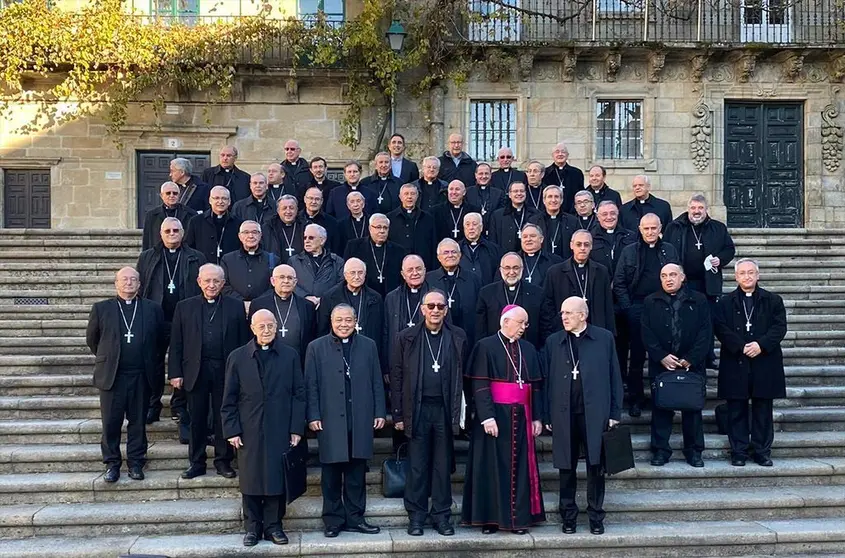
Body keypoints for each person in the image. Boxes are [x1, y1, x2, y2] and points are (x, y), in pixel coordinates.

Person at [221, 309, 305, 547]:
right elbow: (229, 398)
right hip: (249, 428)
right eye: (262, 326)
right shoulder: (237, 357)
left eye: (270, 326)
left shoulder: (289, 355)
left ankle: (274, 526)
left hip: (280, 426)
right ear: (252, 328)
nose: (266, 330)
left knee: (276, 479)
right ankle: (252, 528)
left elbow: (299, 394)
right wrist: (232, 430)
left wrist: (296, 428)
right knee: (251, 479)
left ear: (276, 327)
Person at [542, 297, 622, 535]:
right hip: (563, 413)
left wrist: (614, 412)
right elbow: (546, 381)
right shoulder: (553, 341)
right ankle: (568, 516)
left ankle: (596, 515)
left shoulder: (604, 338)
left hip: (595, 413)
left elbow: (614, 377)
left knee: (595, 466)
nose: (564, 317)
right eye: (562, 312)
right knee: (566, 467)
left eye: (569, 313)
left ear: (583, 315)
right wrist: (546, 414)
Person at [462, 305, 545, 534]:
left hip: (522, 416)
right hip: (495, 417)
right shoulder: (485, 346)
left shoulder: (528, 348)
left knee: (520, 469)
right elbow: (479, 385)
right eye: (521, 323)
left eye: (526, 324)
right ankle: (490, 520)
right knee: (490, 467)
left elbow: (535, 387)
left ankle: (518, 520)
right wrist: (487, 416)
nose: (524, 328)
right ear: (505, 321)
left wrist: (537, 417)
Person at [391, 290, 468, 537]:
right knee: (417, 465)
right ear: (422, 309)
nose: (435, 310)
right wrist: (399, 415)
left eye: (440, 306)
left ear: (446, 310)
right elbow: (397, 377)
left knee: (442, 465)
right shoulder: (407, 337)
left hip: (444, 409)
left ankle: (442, 516)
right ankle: (416, 517)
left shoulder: (458, 336)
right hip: (418, 408)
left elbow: (462, 377)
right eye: (431, 306)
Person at [306, 304, 386, 538]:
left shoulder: (368, 345)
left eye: (348, 320)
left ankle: (355, 518)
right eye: (339, 320)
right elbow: (310, 385)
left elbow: (376, 382)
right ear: (331, 321)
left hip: (359, 418)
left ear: (355, 321)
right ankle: (332, 520)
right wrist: (313, 415)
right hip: (329, 419)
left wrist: (379, 411)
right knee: (330, 475)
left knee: (356, 474)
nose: (344, 324)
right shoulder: (316, 347)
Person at [169, 264, 250, 479]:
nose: (211, 285)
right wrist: (175, 373)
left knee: (223, 417)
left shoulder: (235, 306)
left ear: (223, 283)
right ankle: (196, 462)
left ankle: (223, 461)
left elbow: (243, 342)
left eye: (216, 281)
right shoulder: (184, 307)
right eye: (207, 281)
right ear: (199, 282)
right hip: (196, 370)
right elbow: (176, 343)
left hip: (226, 370)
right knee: (197, 418)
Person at [86, 267, 166, 483]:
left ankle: (136, 463)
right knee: (111, 423)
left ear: (140, 284)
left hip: (141, 375)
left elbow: (160, 341)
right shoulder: (102, 309)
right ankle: (112, 464)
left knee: (138, 422)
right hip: (113, 376)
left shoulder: (152, 309)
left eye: (133, 279)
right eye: (124, 279)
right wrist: (109, 358)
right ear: (116, 284)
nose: (129, 283)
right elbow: (93, 340)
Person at [713, 259, 787, 467]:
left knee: (763, 409)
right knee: (736, 408)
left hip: (765, 360)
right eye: (742, 273)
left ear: (758, 275)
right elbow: (720, 327)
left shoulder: (773, 300)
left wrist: (760, 345)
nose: (747, 276)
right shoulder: (725, 302)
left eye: (751, 272)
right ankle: (739, 451)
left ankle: (762, 451)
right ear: (736, 277)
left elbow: (779, 327)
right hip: (736, 360)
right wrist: (741, 346)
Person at [136, 217, 205, 424]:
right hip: (157, 318)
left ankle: (179, 404)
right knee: (153, 363)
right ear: (160, 233)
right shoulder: (147, 257)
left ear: (183, 233)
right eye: (168, 231)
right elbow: (141, 286)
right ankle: (152, 404)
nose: (172, 234)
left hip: (185, 319)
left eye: (176, 230)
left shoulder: (196, 257)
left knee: (185, 363)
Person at [641, 264, 710, 468]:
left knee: (692, 410)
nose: (668, 279)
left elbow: (706, 332)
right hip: (662, 365)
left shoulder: (699, 300)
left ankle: (694, 451)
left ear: (683, 277)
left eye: (673, 275)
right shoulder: (650, 301)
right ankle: (661, 450)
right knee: (661, 409)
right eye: (663, 275)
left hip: (691, 365)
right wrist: (661, 356)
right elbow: (646, 331)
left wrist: (691, 358)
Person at [613, 213, 679, 417]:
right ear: (640, 229)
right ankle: (636, 398)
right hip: (638, 307)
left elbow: (678, 277)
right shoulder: (629, 251)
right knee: (638, 357)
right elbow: (620, 281)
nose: (650, 232)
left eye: (654, 228)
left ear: (660, 229)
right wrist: (628, 307)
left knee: (664, 354)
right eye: (646, 228)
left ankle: (664, 396)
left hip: (664, 307)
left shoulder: (669, 250)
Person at [664, 194, 736, 367]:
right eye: (693, 208)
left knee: (707, 320)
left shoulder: (718, 228)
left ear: (706, 210)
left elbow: (729, 249)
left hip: (707, 283)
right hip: (683, 282)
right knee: (682, 319)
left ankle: (708, 355)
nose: (696, 212)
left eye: (700, 208)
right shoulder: (674, 227)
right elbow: (665, 249)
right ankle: (681, 353)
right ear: (688, 209)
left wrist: (720, 259)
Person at [590, 200, 636, 390]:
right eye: (604, 214)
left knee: (624, 341)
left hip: (624, 298)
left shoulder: (630, 237)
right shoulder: (590, 238)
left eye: (612, 214)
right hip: (600, 300)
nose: (609, 217)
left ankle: (624, 378)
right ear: (597, 215)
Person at [541, 230, 615, 340]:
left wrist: (610, 332)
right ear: (571, 245)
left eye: (586, 244)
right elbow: (547, 304)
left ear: (591, 246)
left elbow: (608, 304)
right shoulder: (555, 272)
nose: (582, 248)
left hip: (595, 329)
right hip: (564, 330)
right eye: (578, 244)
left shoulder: (601, 271)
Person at [316, 259, 385, 357]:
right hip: (336, 352)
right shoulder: (330, 297)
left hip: (367, 351)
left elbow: (380, 329)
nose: (357, 277)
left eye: (360, 273)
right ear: (345, 274)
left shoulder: (375, 298)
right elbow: (322, 329)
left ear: (365, 274)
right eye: (352, 273)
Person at [247, 264, 316, 362]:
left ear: (295, 282)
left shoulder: (307, 306)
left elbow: (311, 336)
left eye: (290, 278)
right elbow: (251, 335)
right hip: (267, 360)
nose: (286, 281)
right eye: (281, 277)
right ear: (273, 281)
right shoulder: (258, 304)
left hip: (298, 360)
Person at [476, 252, 543, 349]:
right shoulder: (486, 293)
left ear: (522, 269)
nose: (511, 272)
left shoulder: (537, 293)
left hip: (527, 349)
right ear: (500, 270)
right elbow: (480, 329)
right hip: (495, 350)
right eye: (507, 268)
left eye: (516, 268)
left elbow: (544, 327)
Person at [427, 238, 482, 346]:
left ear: (460, 255)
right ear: (439, 257)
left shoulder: (473, 278)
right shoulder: (429, 279)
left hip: (468, 334)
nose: (450, 255)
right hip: (439, 335)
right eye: (446, 252)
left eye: (454, 252)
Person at [344, 213, 406, 298]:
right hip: (364, 295)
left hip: (390, 296)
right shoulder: (354, 247)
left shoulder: (398, 250)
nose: (382, 231)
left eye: (385, 228)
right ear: (370, 228)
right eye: (378, 227)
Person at [384, 255, 432, 363]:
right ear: (403, 274)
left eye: (418, 269)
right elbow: (386, 333)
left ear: (425, 271)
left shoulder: (435, 296)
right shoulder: (392, 298)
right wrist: (386, 366)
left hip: (426, 357)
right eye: (410, 270)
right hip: (399, 357)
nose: (415, 273)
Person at [288, 223, 345, 309]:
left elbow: (341, 283)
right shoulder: (294, 261)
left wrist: (323, 299)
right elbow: (289, 282)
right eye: (305, 238)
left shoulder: (337, 261)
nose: (306, 241)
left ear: (322, 240)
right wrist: (306, 297)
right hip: (302, 306)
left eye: (311, 238)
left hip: (329, 306)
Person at [220, 220, 277, 303]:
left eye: (255, 232)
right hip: (234, 305)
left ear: (260, 235)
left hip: (264, 306)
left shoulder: (273, 259)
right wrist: (242, 302)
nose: (250, 236)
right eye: (246, 232)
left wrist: (256, 303)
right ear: (240, 236)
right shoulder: (227, 260)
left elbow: (275, 286)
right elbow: (224, 285)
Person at [184, 186, 243, 265]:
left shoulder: (238, 223)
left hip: (231, 267)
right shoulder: (196, 221)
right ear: (210, 200)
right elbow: (189, 247)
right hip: (204, 268)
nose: (220, 201)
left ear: (229, 202)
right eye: (216, 198)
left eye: (224, 198)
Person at [387, 183, 437, 269]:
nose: (409, 197)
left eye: (413, 194)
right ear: (400, 197)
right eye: (406, 194)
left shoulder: (427, 218)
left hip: (423, 264)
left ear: (417, 196)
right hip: (397, 264)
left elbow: (433, 243)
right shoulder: (390, 218)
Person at [141, 181, 197, 251]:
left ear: (179, 195)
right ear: (161, 195)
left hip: (184, 255)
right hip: (159, 255)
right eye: (168, 193)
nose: (172, 195)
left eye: (175, 193)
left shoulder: (191, 214)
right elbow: (147, 240)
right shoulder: (151, 215)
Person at [529, 185, 579, 260]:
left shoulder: (573, 221)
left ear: (561, 200)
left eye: (556, 197)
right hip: (542, 262)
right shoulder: (534, 221)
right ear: (544, 200)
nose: (553, 200)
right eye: (550, 197)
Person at [488, 182, 538, 253]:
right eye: (515, 191)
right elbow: (493, 241)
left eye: (522, 191)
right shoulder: (497, 216)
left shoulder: (535, 214)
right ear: (510, 195)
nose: (519, 194)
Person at [460, 212, 501, 286]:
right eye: (467, 224)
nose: (471, 227)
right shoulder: (457, 248)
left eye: (474, 224)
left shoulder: (493, 249)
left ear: (481, 227)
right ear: (464, 228)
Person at [542, 142, 584, 214]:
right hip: (551, 212)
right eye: (557, 152)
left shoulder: (576, 173)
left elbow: (580, 193)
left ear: (567, 155)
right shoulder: (545, 173)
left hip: (573, 213)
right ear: (553, 155)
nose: (560, 154)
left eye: (563, 152)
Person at [263, 195, 304, 264]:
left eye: (291, 208)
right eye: (284, 208)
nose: (288, 211)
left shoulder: (305, 226)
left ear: (297, 210)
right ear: (278, 211)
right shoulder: (268, 227)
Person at [299, 186, 341, 254]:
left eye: (317, 199)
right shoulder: (296, 220)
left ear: (322, 201)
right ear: (305, 199)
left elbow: (335, 247)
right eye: (311, 198)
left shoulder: (332, 222)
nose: (313, 202)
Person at [519, 223, 562, 290]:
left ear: (541, 239)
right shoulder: (512, 260)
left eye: (532, 236)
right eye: (524, 237)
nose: (528, 239)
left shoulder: (555, 261)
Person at [465, 162, 505, 232]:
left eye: (486, 173)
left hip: (493, 230)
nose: (483, 176)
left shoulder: (499, 193)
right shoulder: (468, 192)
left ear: (490, 175)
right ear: (475, 175)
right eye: (480, 174)